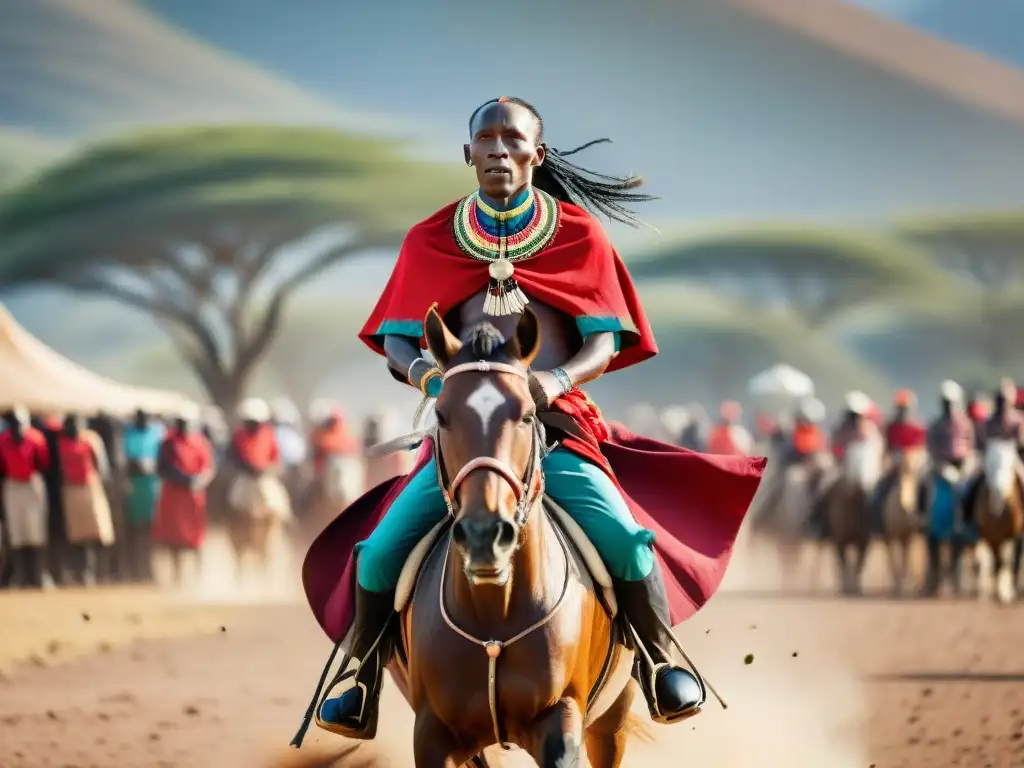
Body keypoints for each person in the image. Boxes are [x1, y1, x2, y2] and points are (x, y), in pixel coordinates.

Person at [308, 97, 765, 739]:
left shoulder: (578, 235)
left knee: (626, 544)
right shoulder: (430, 239)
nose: (498, 149)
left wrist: (552, 381)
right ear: (467, 155)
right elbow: (397, 339)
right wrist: (435, 379)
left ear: (536, 153)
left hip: (555, 427)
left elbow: (604, 342)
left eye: (512, 138)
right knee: (380, 555)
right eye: (485, 140)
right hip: (465, 433)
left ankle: (661, 664)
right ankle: (356, 684)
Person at [153, 407, 216, 583]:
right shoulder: (167, 442)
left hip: (193, 497)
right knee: (175, 537)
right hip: (174, 496)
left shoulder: (200, 443)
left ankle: (199, 575)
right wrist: (179, 479)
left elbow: (208, 468)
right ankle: (177, 575)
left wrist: (198, 481)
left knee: (196, 536)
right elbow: (161, 468)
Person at [58, 414, 115, 586]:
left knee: (96, 533)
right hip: (71, 490)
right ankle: (81, 573)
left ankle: (97, 571)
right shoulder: (62, 443)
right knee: (77, 535)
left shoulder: (91, 440)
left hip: (90, 488)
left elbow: (102, 466)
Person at [0, 406, 50, 587]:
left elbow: (44, 464)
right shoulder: (3, 440)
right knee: (17, 532)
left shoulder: (36, 439)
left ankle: (37, 575)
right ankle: (20, 576)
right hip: (13, 486)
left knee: (35, 530)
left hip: (32, 485)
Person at [122, 409, 165, 582]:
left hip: (151, 486)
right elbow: (123, 457)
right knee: (133, 529)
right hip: (134, 485)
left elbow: (162, 459)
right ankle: (134, 569)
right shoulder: (128, 434)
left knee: (150, 530)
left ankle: (149, 569)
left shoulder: (157, 433)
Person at [872, 389, 927, 512]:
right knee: (880, 489)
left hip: (913, 469)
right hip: (895, 468)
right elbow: (887, 448)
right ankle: (876, 518)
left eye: (905, 409)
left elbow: (922, 449)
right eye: (901, 409)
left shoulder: (918, 428)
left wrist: (911, 456)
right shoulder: (891, 427)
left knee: (924, 488)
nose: (903, 412)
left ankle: (924, 518)